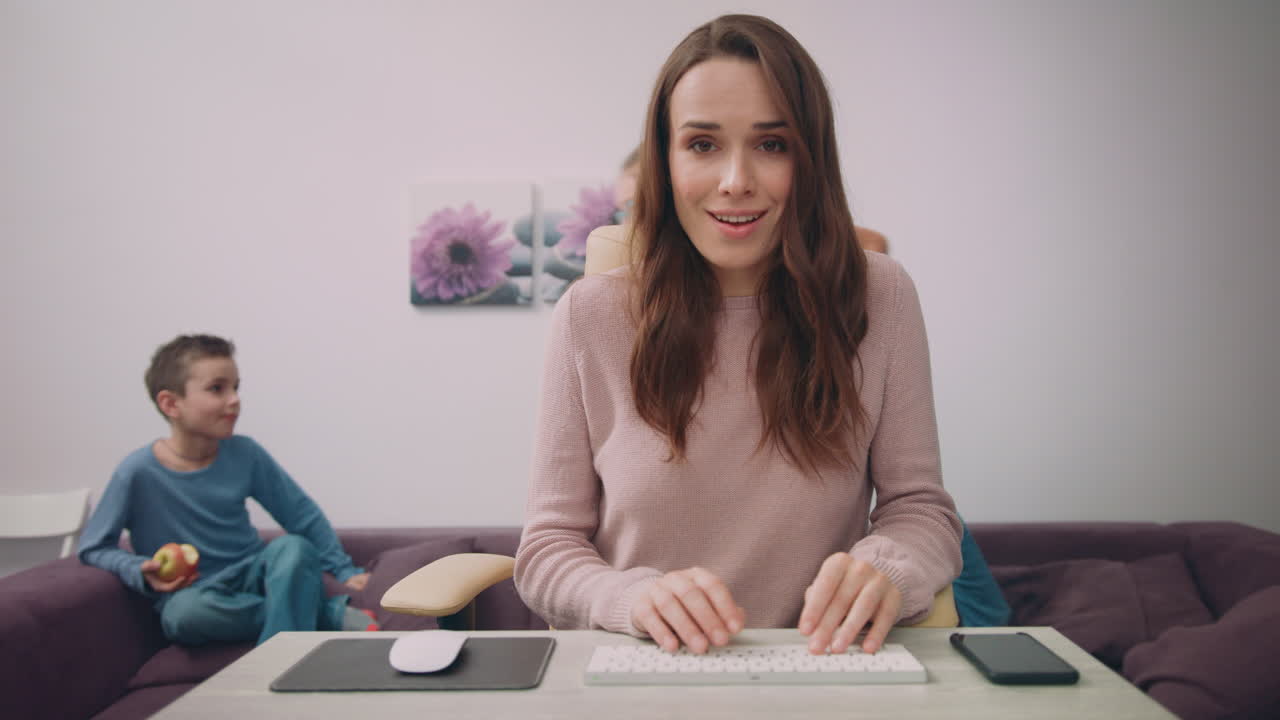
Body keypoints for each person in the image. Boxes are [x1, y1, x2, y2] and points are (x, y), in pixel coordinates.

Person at [515, 14, 963, 658]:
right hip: (641, 673)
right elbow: (546, 551)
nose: (734, 179)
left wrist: (889, 566)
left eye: (772, 145)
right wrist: (628, 598)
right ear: (665, 161)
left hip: (819, 671)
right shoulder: (590, 316)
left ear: (810, 159)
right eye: (702, 145)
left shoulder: (881, 296)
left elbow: (923, 511)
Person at [78, 334, 375, 646]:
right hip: (196, 594)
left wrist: (343, 570)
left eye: (236, 387)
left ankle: (277, 661)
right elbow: (93, 548)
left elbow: (300, 513)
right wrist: (137, 568)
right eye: (217, 389)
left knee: (293, 548)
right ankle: (325, 615)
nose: (234, 399)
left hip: (253, 574)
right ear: (171, 403)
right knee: (183, 616)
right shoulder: (136, 473)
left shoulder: (245, 454)